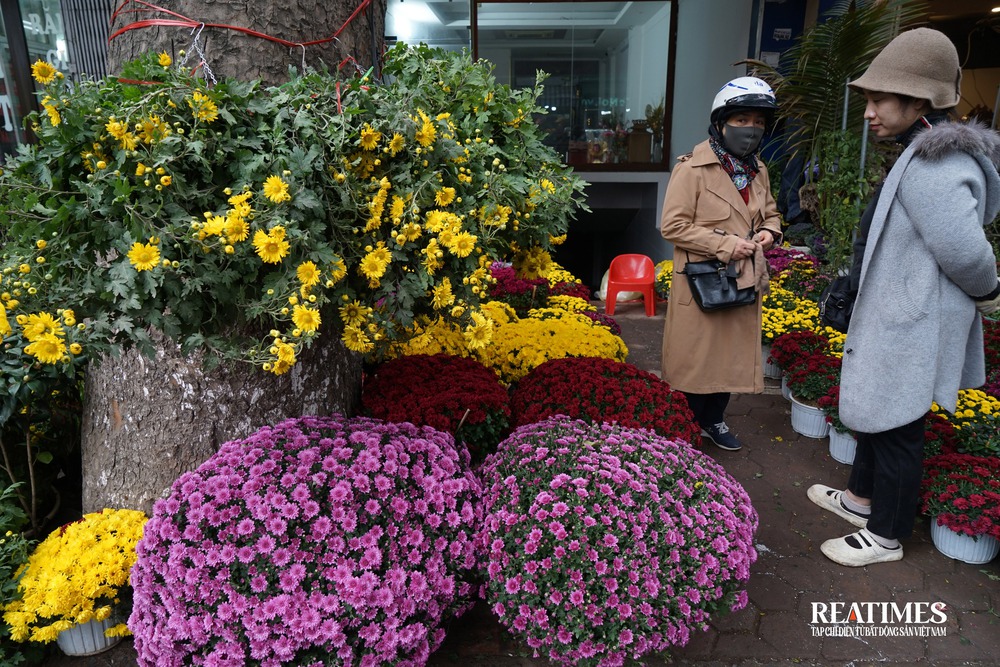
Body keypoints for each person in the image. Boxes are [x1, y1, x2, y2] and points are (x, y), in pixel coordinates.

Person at [807, 27, 1000, 567]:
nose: (868, 111)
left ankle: (885, 535)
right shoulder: (923, 152)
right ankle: (860, 500)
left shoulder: (937, 164)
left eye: (878, 99)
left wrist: (990, 292)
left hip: (910, 319)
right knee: (879, 411)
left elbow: (967, 251)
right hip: (899, 314)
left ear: (918, 100)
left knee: (897, 426)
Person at [660, 76, 783, 452]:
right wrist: (725, 244)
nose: (751, 129)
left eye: (759, 122)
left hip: (742, 281)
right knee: (695, 362)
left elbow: (772, 215)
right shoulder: (691, 169)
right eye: (742, 119)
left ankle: (714, 420)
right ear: (721, 122)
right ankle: (684, 426)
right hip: (702, 283)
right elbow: (673, 225)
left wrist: (769, 233)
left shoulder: (758, 170)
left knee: (729, 360)